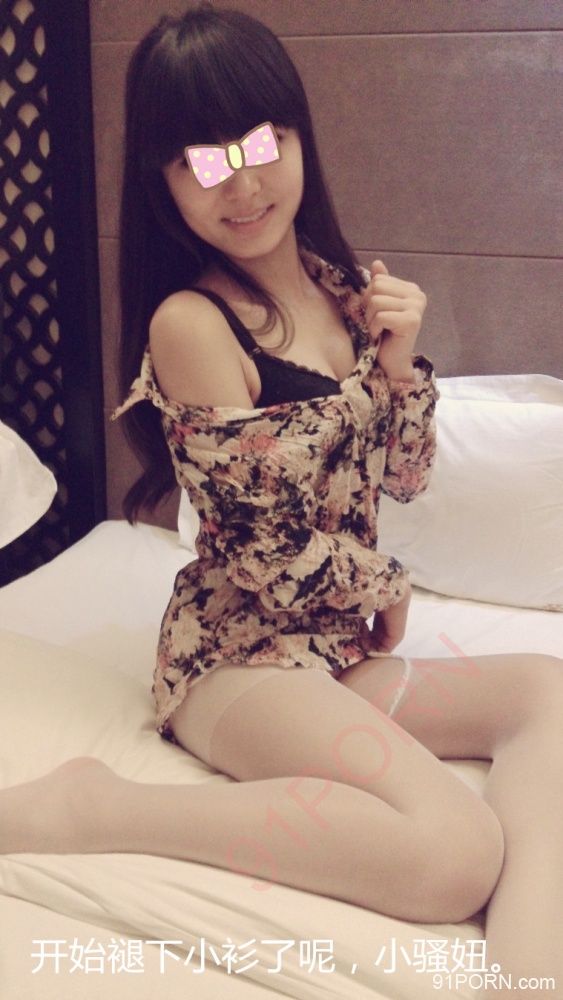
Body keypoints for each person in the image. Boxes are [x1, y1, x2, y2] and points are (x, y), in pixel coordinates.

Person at [2, 5, 561, 996]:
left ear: (297, 138)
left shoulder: (338, 287)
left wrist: (398, 365)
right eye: (204, 160)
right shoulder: (191, 322)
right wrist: (385, 583)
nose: (244, 182)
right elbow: (260, 547)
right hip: (237, 661)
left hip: (332, 652)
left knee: (546, 691)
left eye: (261, 142)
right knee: (454, 852)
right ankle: (95, 806)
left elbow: (403, 478)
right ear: (163, 179)